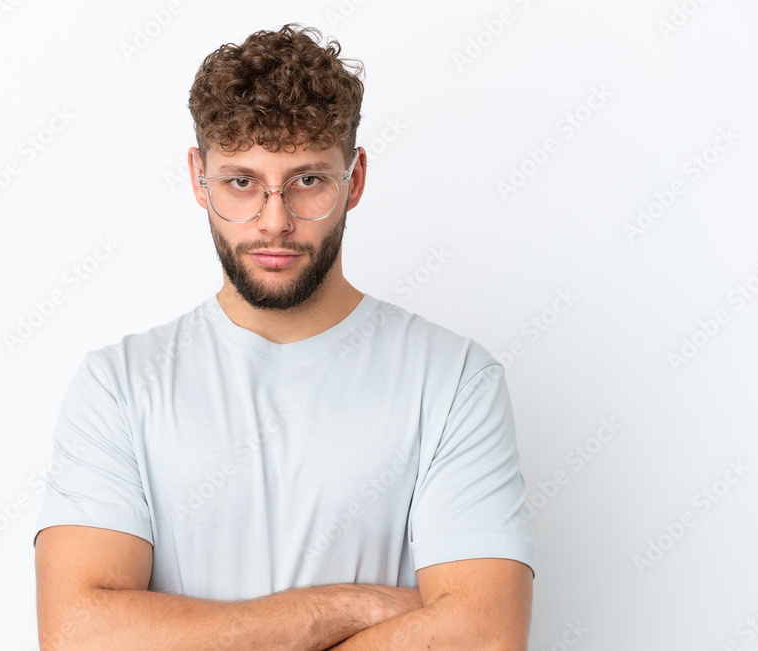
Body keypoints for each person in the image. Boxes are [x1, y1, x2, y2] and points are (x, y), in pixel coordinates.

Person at [34, 23, 535, 650]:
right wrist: (357, 605)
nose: (275, 222)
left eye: (307, 181)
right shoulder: (119, 386)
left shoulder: (455, 380)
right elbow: (78, 636)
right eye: (242, 182)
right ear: (199, 179)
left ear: (353, 181)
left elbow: (483, 638)